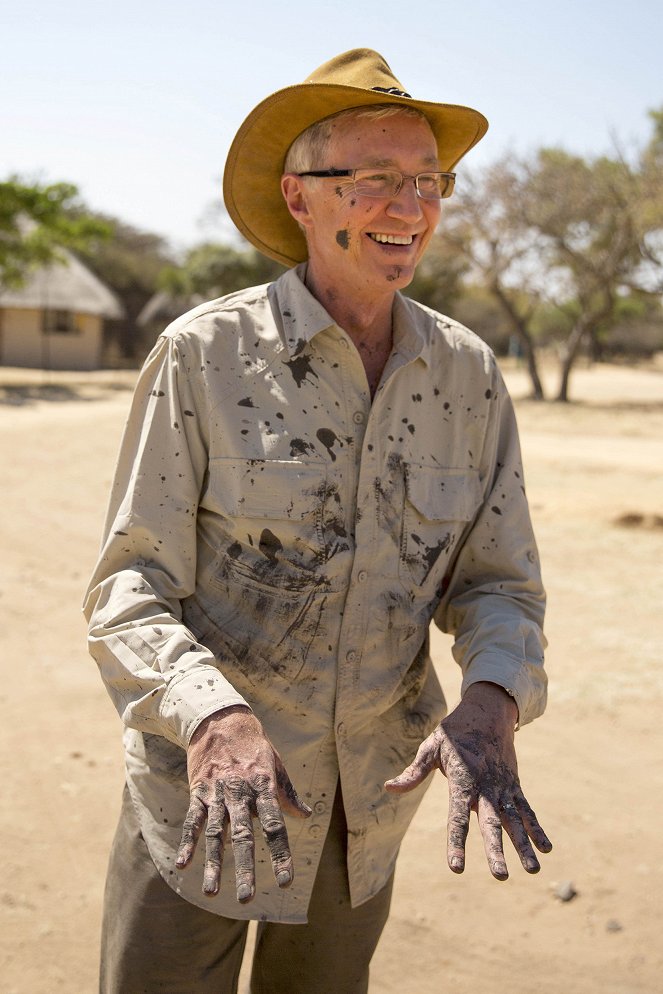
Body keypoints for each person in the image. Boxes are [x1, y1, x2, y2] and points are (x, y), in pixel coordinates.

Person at [84, 48, 551, 994]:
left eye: (427, 182)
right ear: (302, 199)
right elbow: (129, 587)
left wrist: (493, 701)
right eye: (376, 180)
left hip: (364, 815)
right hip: (202, 805)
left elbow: (497, 583)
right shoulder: (203, 355)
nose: (409, 208)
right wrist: (209, 713)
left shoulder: (466, 375)